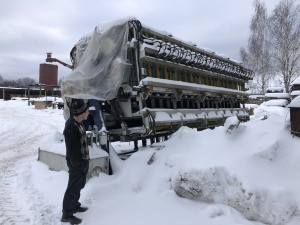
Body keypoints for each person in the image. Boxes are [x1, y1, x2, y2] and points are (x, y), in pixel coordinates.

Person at [61, 99, 90, 224]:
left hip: (82, 162)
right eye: (87, 110)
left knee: (79, 185)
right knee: (72, 188)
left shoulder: (78, 123)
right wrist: (77, 164)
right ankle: (67, 214)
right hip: (76, 164)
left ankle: (75, 205)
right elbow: (72, 149)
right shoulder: (71, 127)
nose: (88, 112)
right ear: (82, 112)